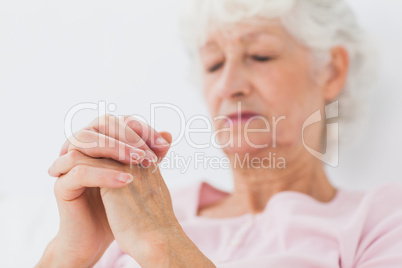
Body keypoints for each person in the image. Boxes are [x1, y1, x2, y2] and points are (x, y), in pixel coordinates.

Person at [36, 0, 402, 267]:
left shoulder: (382, 220)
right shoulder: (135, 208)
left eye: (260, 56)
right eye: (213, 64)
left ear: (331, 71)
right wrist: (69, 253)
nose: (228, 85)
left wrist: (160, 243)